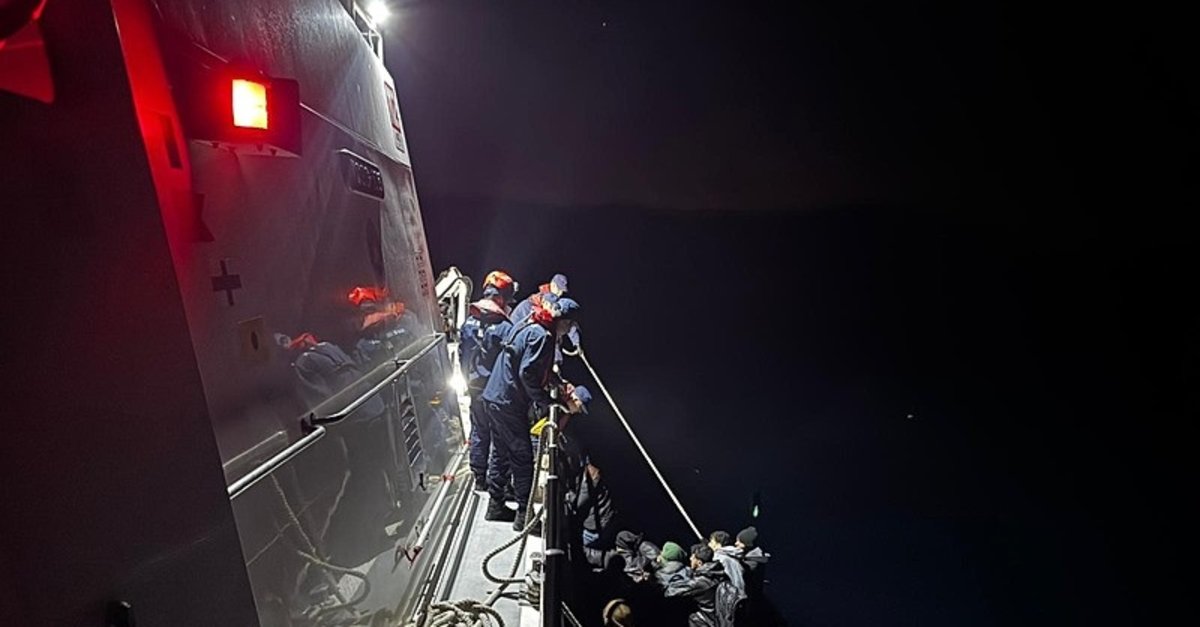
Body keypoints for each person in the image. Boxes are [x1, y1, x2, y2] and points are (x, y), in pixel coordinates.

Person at [481, 296, 580, 529]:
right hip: (508, 402)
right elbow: (528, 373)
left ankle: (495, 506)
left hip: (493, 396)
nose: (568, 330)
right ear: (561, 321)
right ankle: (524, 516)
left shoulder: (529, 324)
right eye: (569, 324)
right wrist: (546, 401)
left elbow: (530, 365)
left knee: (500, 452)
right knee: (523, 457)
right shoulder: (543, 337)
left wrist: (557, 381)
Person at [459, 295, 512, 491]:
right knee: (499, 434)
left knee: (479, 429)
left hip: (474, 386)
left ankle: (479, 476)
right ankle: (498, 482)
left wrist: (467, 378)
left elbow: (462, 354)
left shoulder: (468, 325)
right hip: (495, 390)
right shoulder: (505, 329)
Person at [665, 544, 725, 627]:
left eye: (693, 558)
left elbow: (670, 592)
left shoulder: (701, 581)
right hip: (718, 616)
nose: (690, 559)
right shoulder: (718, 572)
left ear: (699, 563)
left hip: (709, 620)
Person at [708, 530, 747, 595]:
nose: (709, 545)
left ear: (718, 545)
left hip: (730, 595)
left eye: (711, 543)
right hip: (740, 594)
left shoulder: (720, 558)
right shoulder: (734, 557)